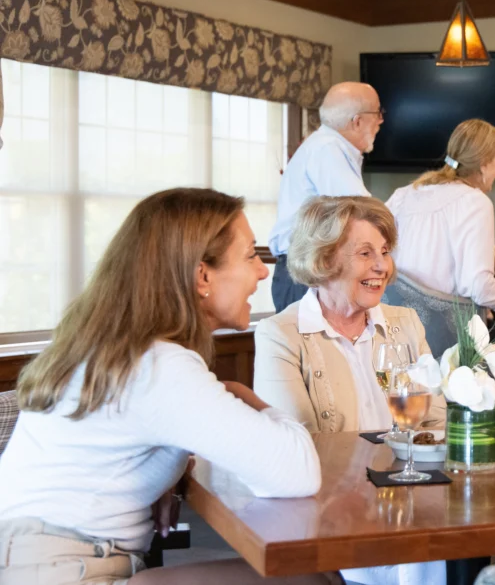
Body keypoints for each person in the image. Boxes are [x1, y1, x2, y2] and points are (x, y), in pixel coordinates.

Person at [0, 188, 338, 585]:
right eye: (250, 255)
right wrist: (253, 402)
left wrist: (167, 470)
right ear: (202, 275)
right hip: (68, 571)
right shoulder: (159, 365)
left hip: (31, 560)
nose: (264, 271)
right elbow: (297, 472)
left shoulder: (119, 349)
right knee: (314, 580)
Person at [254, 195, 445, 585]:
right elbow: (299, 445)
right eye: (365, 253)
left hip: (409, 500)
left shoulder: (405, 323)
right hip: (333, 511)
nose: (382, 266)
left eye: (385, 252)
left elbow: (436, 420)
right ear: (324, 261)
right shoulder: (282, 335)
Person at [386, 119, 495, 420]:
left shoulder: (403, 194)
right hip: (452, 331)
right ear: (483, 164)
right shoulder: (474, 201)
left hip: (399, 325)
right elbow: (477, 284)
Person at [268, 81, 385, 312]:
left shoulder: (327, 146)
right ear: (357, 120)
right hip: (304, 275)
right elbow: (363, 214)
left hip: (305, 271)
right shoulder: (328, 149)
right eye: (378, 113)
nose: (381, 121)